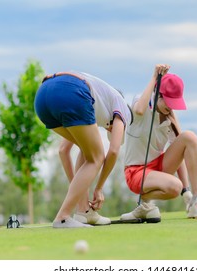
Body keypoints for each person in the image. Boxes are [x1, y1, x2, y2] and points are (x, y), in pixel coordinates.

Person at [34, 70, 132, 228]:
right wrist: (99, 188)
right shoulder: (123, 109)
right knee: (97, 156)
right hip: (71, 92)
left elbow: (63, 151)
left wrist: (78, 189)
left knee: (88, 151)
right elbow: (113, 151)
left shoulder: (100, 98)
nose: (109, 130)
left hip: (43, 96)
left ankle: (83, 212)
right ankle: (63, 217)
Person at [120, 64, 197, 223]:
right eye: (168, 101)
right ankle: (144, 203)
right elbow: (140, 110)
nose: (171, 107)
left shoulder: (169, 118)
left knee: (189, 137)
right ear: (157, 94)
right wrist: (155, 78)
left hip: (158, 166)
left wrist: (186, 192)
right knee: (174, 187)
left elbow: (181, 154)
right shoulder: (140, 102)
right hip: (136, 172)